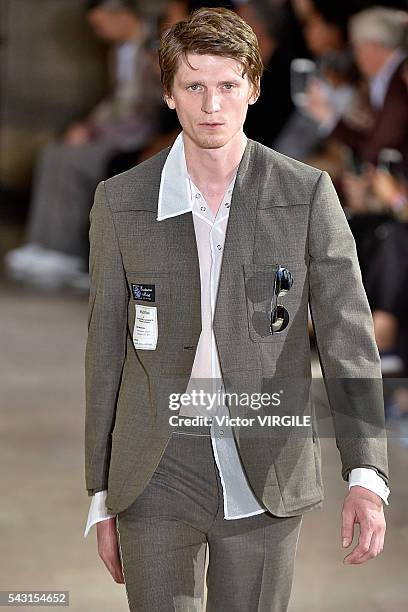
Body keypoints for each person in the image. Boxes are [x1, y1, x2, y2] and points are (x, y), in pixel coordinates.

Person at [84, 8, 390, 611]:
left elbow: (347, 337)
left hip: (267, 464)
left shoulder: (304, 195)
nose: (212, 106)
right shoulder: (121, 203)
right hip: (156, 469)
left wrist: (366, 473)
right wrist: (100, 491)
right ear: (168, 93)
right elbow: (106, 351)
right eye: (194, 86)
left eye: (228, 85)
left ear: (253, 87)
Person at [5, 0, 162, 289]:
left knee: (69, 160)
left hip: (138, 136)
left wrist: (97, 132)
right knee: (55, 153)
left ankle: (61, 250)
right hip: (115, 132)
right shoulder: (118, 52)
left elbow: (145, 107)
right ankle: (45, 243)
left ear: (122, 15)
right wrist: (87, 127)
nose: (98, 32)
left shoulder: (153, 45)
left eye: (100, 24)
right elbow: (115, 101)